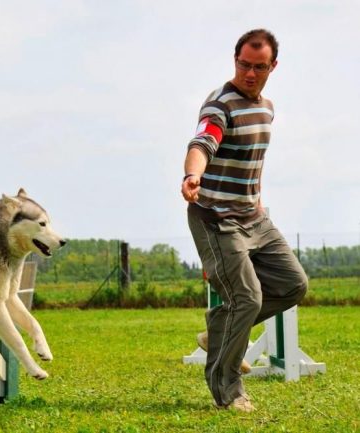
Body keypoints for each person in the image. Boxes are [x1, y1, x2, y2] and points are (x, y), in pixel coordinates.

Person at [181, 29, 308, 413]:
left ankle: (218, 330)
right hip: (216, 218)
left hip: (254, 215)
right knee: (247, 298)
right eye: (243, 65)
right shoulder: (220, 105)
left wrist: (257, 200)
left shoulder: (267, 108)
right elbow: (202, 143)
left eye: (258, 67)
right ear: (234, 60)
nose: (249, 73)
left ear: (273, 66)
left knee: (293, 285)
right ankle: (229, 390)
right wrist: (192, 175)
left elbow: (252, 162)